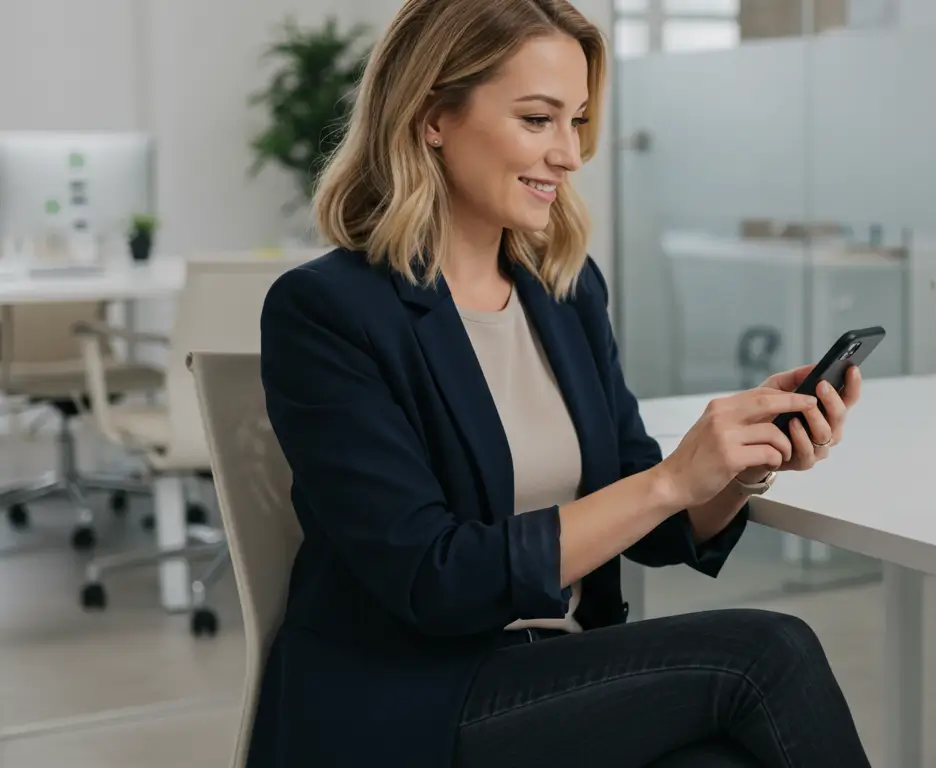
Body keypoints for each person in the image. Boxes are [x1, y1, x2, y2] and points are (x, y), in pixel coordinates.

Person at [255, 1, 872, 767]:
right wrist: (669, 481)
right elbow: (432, 578)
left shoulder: (565, 294)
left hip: (553, 677)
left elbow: (649, 517)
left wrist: (737, 468)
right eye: (537, 119)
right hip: (410, 697)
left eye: (576, 122)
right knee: (767, 652)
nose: (571, 154)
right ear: (432, 117)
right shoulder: (328, 312)